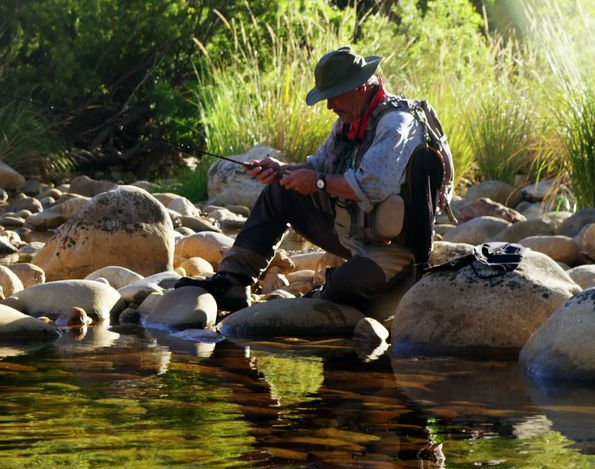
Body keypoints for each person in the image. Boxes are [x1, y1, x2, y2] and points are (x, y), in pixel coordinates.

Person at [177, 46, 452, 315]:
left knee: (338, 291)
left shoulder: (396, 124)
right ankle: (233, 283)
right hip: (357, 235)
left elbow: (372, 186)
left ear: (360, 87)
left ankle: (391, 292)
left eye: (334, 96)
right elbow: (320, 165)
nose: (330, 105)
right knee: (280, 190)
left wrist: (317, 182)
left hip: (396, 251)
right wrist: (282, 170)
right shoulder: (352, 117)